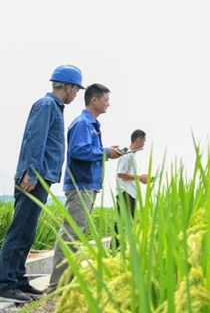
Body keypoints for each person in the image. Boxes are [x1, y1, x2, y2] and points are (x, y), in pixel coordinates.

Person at [0, 65, 84, 303]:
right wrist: (31, 173)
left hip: (41, 177)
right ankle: (4, 282)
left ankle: (17, 279)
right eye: (76, 89)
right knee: (19, 231)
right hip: (33, 178)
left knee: (28, 231)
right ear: (67, 86)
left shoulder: (54, 108)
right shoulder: (47, 106)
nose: (77, 94)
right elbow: (34, 141)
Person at [47, 83, 123, 292]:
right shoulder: (83, 123)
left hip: (88, 185)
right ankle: (58, 285)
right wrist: (105, 152)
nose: (108, 104)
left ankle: (67, 282)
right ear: (94, 100)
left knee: (76, 234)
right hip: (80, 184)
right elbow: (79, 151)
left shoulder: (91, 124)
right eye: (106, 100)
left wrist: (106, 151)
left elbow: (88, 150)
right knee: (71, 233)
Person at [112, 129, 148, 250]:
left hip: (130, 194)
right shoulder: (127, 155)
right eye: (144, 141)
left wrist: (141, 177)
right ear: (138, 140)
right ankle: (115, 249)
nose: (144, 144)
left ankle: (120, 249)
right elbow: (121, 173)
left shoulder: (131, 156)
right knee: (122, 223)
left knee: (126, 223)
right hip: (125, 194)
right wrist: (140, 177)